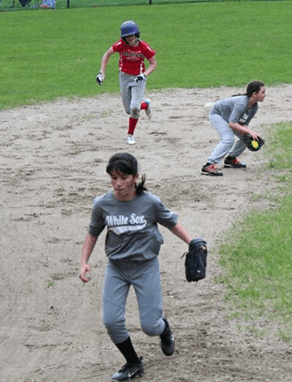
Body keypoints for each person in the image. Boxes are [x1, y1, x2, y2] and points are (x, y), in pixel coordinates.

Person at [79, 152, 204, 381]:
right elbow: (93, 232)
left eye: (123, 178)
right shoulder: (102, 204)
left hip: (145, 267)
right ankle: (133, 363)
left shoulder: (150, 202)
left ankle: (165, 330)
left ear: (135, 177)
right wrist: (84, 262)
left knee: (150, 326)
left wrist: (192, 242)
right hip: (116, 268)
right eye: (113, 178)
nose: (118, 184)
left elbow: (171, 223)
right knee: (111, 321)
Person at [97, 21, 157, 145]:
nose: (130, 38)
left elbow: (153, 64)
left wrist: (144, 75)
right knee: (129, 110)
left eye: (132, 35)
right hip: (124, 77)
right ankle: (145, 105)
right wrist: (101, 73)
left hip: (138, 79)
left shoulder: (144, 47)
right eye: (127, 36)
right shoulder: (121, 45)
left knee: (134, 108)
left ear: (137, 34)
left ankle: (130, 134)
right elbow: (106, 55)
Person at [201, 80, 266, 176]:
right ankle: (209, 165)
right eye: (263, 92)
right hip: (218, 114)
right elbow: (232, 124)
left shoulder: (254, 107)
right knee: (228, 139)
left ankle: (231, 159)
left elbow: (243, 124)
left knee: (247, 137)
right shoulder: (241, 103)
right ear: (254, 94)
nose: (265, 95)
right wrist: (250, 131)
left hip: (230, 118)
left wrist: (250, 134)